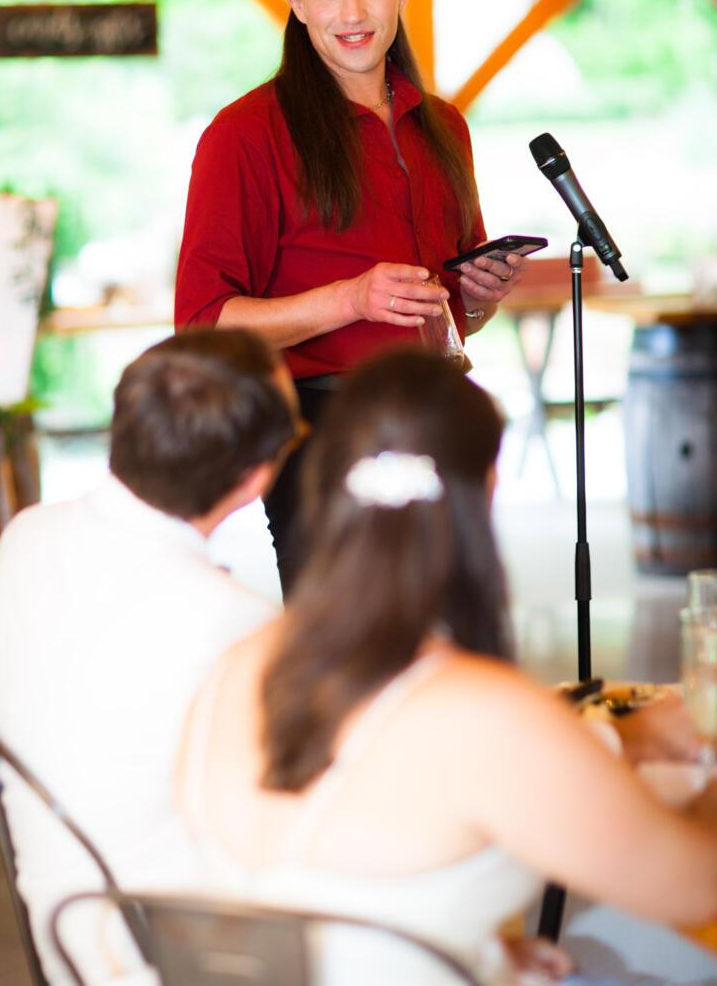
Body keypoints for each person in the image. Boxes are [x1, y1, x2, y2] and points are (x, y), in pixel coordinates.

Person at [170, 347, 717, 986]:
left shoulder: (237, 665)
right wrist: (706, 749)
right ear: (482, 489)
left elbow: (329, 888)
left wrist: (473, 951)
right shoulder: (476, 711)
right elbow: (697, 888)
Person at [175, 0, 529, 590]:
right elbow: (201, 323)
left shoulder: (444, 126)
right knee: (347, 662)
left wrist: (478, 300)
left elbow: (449, 312)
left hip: (440, 409)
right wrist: (349, 298)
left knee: (449, 643)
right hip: (324, 428)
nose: (353, 14)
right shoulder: (245, 133)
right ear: (297, 5)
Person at [0, 328, 299, 984]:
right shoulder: (234, 623)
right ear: (253, 480)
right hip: (176, 954)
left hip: (67, 928)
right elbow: (285, 821)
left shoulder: (27, 534)